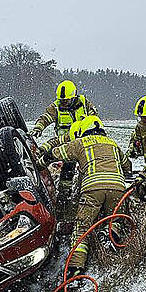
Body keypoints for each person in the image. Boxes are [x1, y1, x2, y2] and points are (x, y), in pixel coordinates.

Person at [37, 115, 126, 279]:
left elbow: (57, 153)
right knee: (115, 218)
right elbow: (127, 167)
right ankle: (110, 237)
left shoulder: (81, 143)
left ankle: (75, 269)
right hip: (118, 188)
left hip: (93, 189)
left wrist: (39, 164)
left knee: (81, 227)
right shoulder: (113, 144)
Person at [31, 80, 97, 138]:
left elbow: (93, 118)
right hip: (64, 143)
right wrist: (38, 128)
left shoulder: (84, 103)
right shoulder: (55, 107)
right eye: (61, 100)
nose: (63, 102)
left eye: (66, 100)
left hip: (84, 141)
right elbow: (45, 119)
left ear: (73, 97)